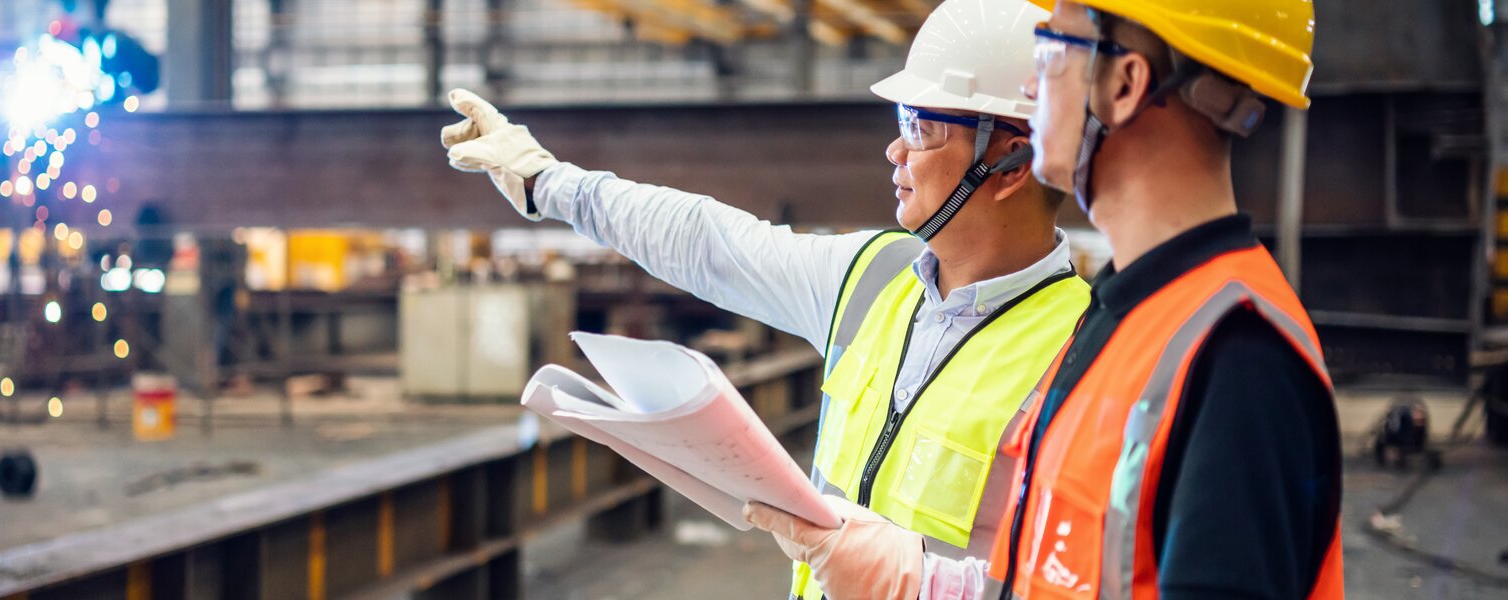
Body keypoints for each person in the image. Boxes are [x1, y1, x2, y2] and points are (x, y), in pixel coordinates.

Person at [442, 1, 1086, 598]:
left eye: (919, 129)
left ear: (1011, 161)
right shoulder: (869, 277)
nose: (894, 151)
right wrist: (548, 181)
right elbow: (709, 241)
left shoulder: (1082, 351)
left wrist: (909, 580)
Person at [744, 0, 1346, 598]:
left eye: (1053, 48)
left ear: (1126, 83)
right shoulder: (1118, 317)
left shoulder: (1237, 358)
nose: (1032, 83)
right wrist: (930, 584)